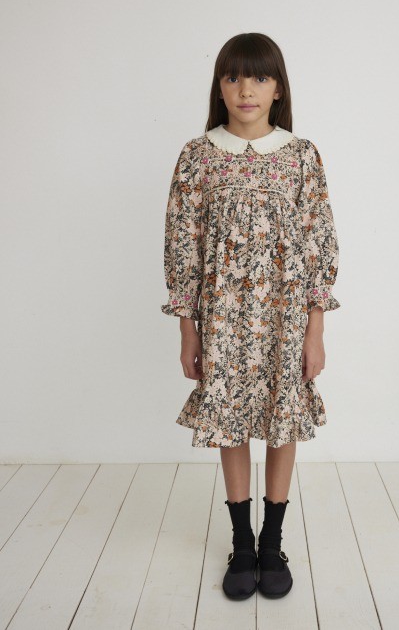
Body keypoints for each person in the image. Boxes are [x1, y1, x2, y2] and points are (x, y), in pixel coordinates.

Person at [161, 32, 340, 600]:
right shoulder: (198, 156)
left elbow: (319, 242)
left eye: (260, 77)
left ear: (278, 88)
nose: (246, 89)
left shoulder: (301, 155)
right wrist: (188, 329)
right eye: (234, 76)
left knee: (283, 418)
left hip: (285, 320)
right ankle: (241, 543)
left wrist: (315, 329)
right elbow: (182, 246)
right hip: (222, 320)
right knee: (230, 420)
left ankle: (272, 542)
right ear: (219, 87)